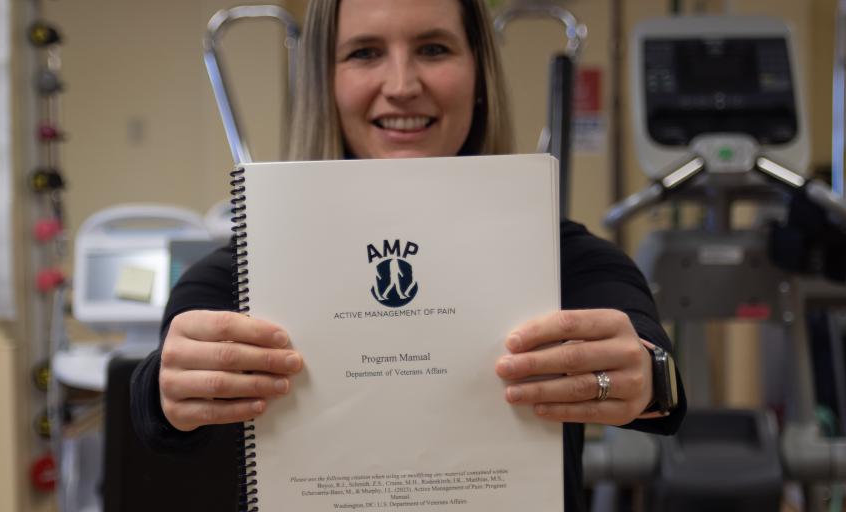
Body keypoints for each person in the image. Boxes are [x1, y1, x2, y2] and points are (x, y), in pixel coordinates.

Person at [131, 1, 686, 510]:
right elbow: (156, 413)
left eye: (433, 49)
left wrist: (645, 372)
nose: (401, 84)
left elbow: (650, 358)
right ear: (324, 80)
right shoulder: (240, 277)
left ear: (479, 76)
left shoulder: (567, 260)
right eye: (365, 53)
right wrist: (166, 389)